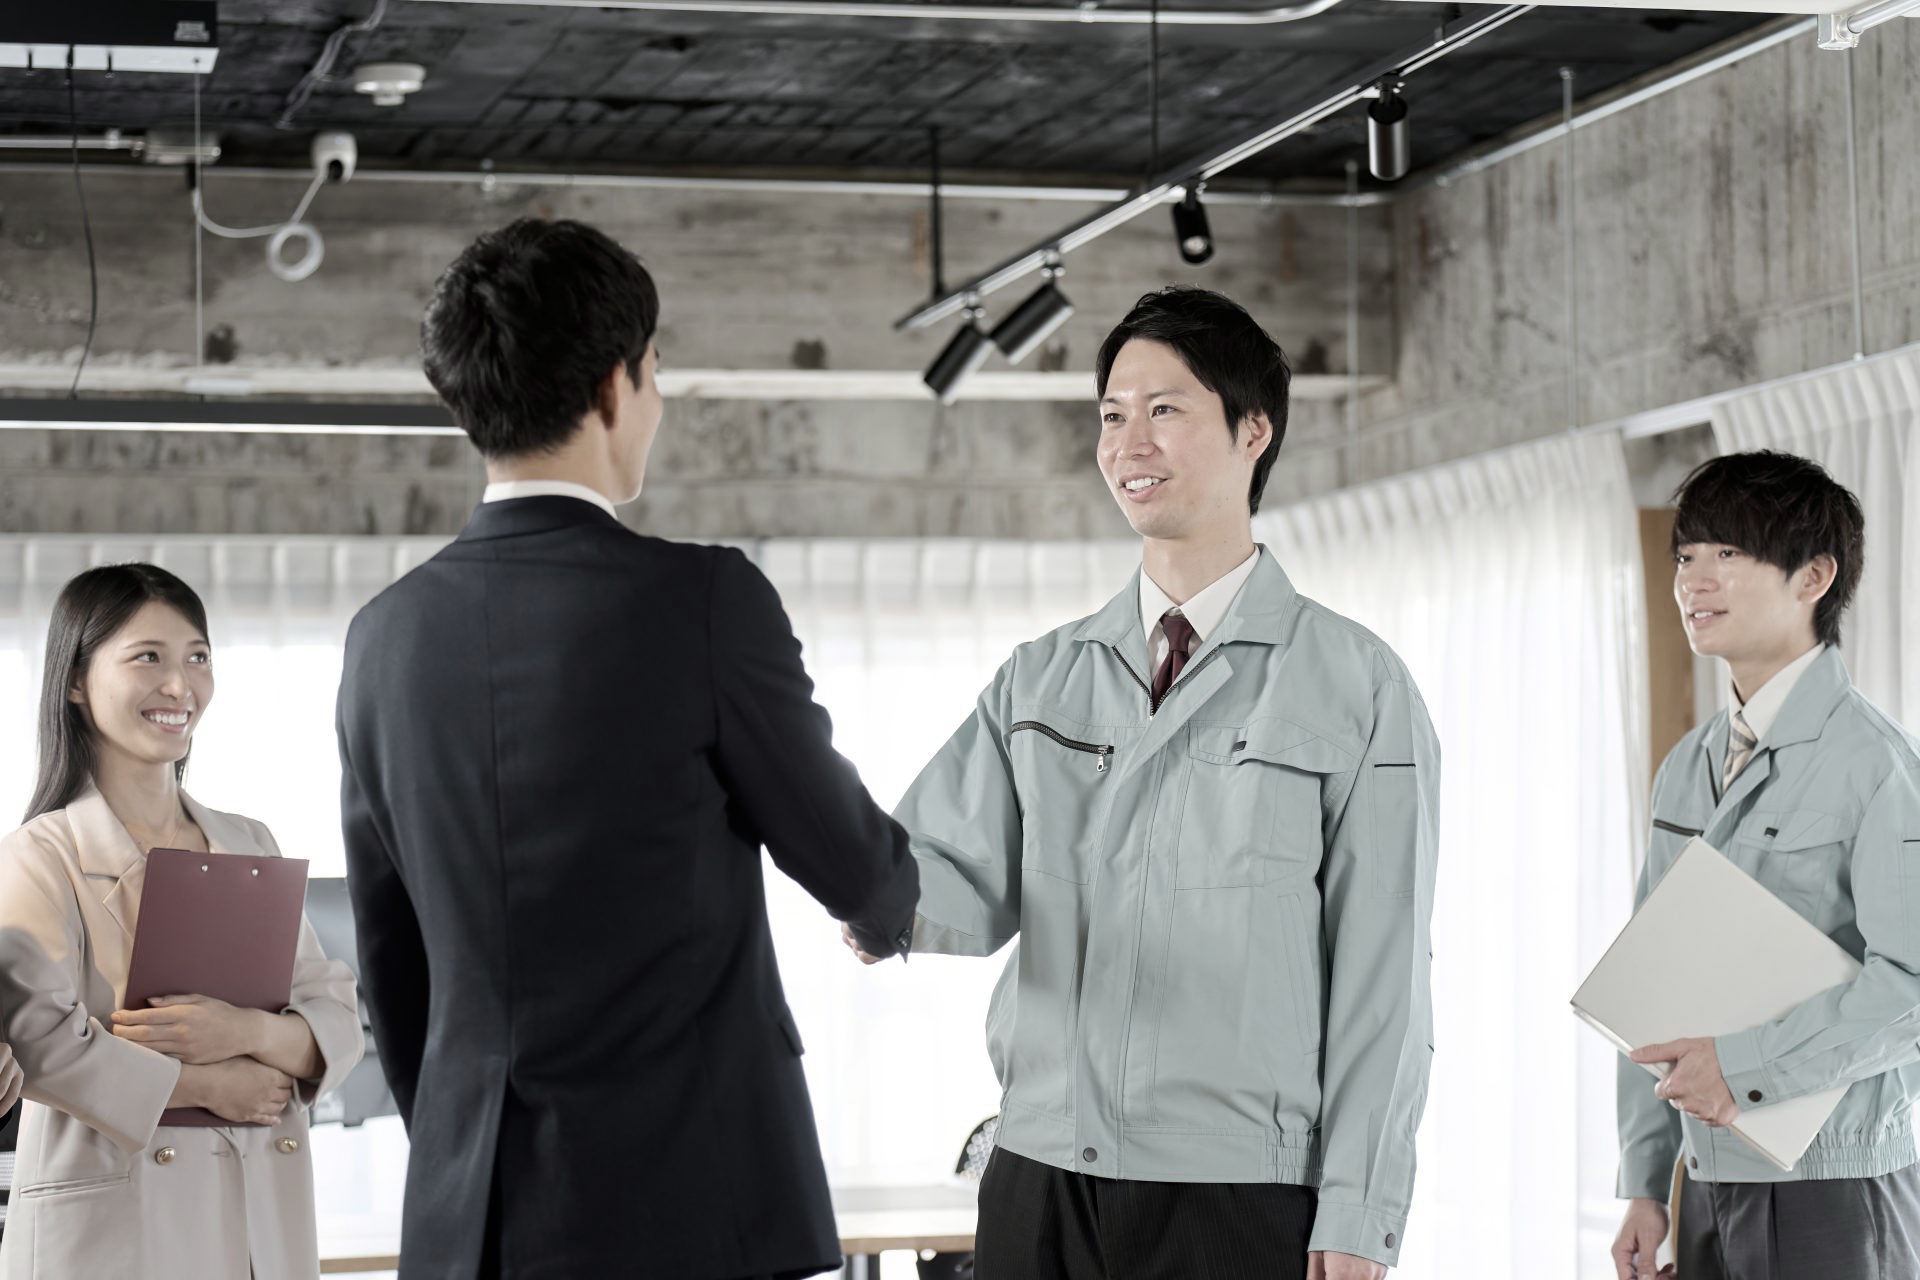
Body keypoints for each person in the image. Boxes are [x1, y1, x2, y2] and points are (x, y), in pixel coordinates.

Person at [336, 217, 921, 1280]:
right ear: (617, 385)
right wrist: (886, 912)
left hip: (476, 1221)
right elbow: (847, 857)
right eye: (656, 372)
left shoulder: (381, 637)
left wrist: (468, 1144)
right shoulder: (701, 601)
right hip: (694, 1204)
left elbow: (390, 958)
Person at [851, 287, 1440, 1280]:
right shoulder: (1041, 677)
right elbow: (949, 871)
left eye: (1165, 410)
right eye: (1112, 415)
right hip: (1038, 1169)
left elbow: (1386, 978)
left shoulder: (1357, 683)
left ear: (1254, 430)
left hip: (1239, 1190)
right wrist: (860, 882)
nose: (1131, 442)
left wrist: (1360, 1210)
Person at [0, 563, 362, 1279]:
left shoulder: (248, 839)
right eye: (148, 658)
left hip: (259, 1203)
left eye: (198, 656)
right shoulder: (41, 853)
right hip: (115, 1222)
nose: (180, 685)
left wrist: (250, 1032)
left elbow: (336, 1009)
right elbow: (40, 1041)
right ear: (75, 681)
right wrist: (203, 1085)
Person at [1611, 451, 1920, 1280]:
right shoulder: (1688, 765)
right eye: (1686, 556)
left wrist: (1743, 1071)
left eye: (1728, 556)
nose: (1693, 582)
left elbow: (1915, 984)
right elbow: (1652, 975)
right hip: (1706, 1177)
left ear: (1814, 576)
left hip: (1837, 1182)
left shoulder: (1876, 766)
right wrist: (1643, 1182)